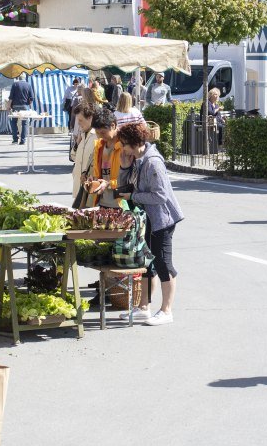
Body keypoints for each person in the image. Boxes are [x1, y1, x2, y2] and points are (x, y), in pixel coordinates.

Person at [114, 121, 184, 326]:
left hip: (162, 219)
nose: (122, 148)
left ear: (135, 143)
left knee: (163, 263)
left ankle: (166, 310)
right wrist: (124, 166)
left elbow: (160, 196)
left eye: (124, 144)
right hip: (147, 218)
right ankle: (144, 308)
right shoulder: (137, 159)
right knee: (146, 263)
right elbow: (125, 185)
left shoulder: (153, 162)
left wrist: (134, 196)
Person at [77, 108, 123, 209]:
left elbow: (129, 179)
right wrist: (91, 178)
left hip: (121, 203)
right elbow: (98, 171)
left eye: (103, 132)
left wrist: (108, 184)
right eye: (97, 133)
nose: (100, 136)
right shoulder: (99, 145)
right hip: (101, 201)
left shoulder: (125, 146)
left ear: (113, 125)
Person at [70, 104, 99, 203]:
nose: (78, 123)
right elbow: (73, 157)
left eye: (81, 120)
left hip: (90, 186)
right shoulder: (82, 135)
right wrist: (77, 143)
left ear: (90, 118)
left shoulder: (97, 136)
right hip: (78, 185)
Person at [7, 73, 35, 145]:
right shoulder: (28, 85)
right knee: (24, 123)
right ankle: (23, 140)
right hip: (25, 106)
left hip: (15, 107)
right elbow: (31, 98)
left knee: (13, 122)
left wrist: (9, 106)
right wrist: (28, 105)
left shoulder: (15, 84)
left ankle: (15, 140)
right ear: (25, 78)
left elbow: (11, 97)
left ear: (18, 78)